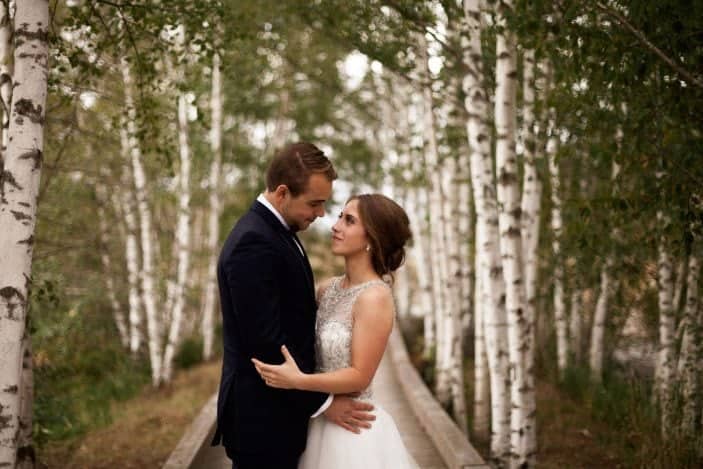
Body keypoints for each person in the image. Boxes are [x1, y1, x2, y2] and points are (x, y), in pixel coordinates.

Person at [212, 143, 376, 469]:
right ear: (283, 193)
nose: (321, 214)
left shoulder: (277, 231)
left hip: (283, 415)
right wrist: (324, 403)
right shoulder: (253, 241)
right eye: (314, 203)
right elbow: (265, 344)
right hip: (262, 421)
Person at [253, 193, 416, 469]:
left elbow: (359, 376)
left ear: (371, 238)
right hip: (318, 421)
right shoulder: (326, 289)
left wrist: (299, 381)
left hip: (352, 432)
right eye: (341, 216)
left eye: (349, 220)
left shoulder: (376, 297)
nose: (335, 225)